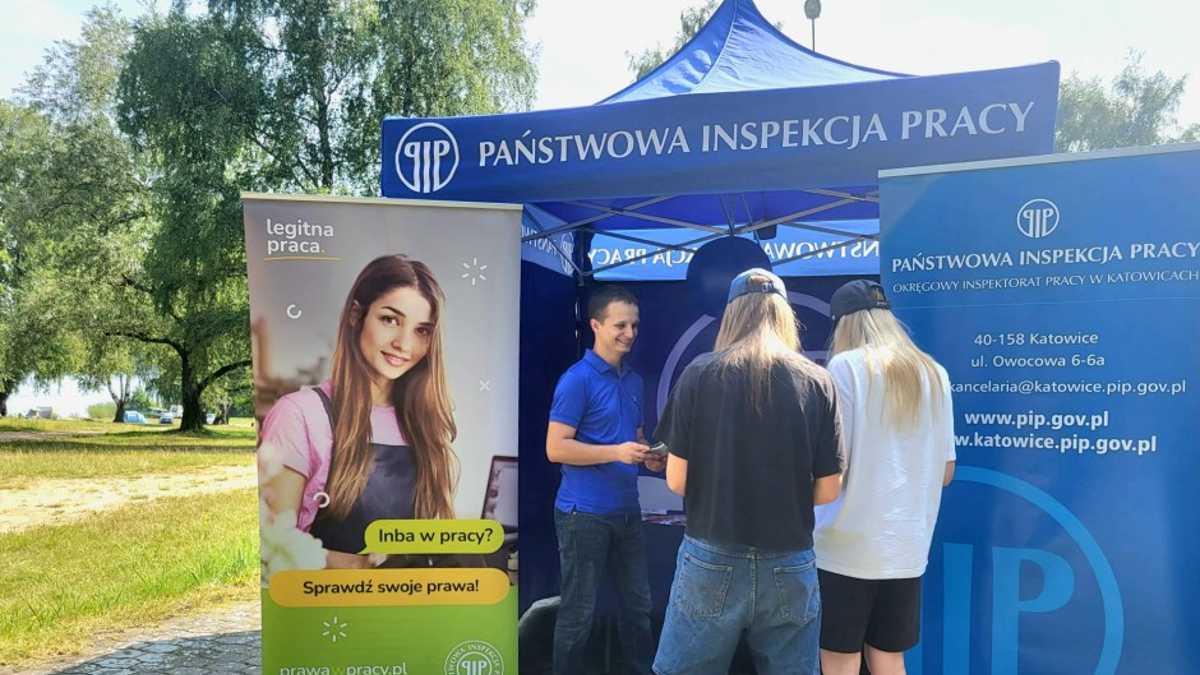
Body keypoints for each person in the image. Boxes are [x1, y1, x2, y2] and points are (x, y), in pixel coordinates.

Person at [651, 268, 842, 675]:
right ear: (785, 316)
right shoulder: (818, 381)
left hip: (711, 557)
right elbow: (828, 490)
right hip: (790, 562)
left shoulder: (699, 374)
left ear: (732, 316)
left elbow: (676, 480)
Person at [259, 254, 458, 570]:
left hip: (412, 610)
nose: (404, 344)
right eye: (390, 319)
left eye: (422, 330)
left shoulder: (425, 424)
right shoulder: (299, 415)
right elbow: (272, 550)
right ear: (356, 315)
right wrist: (356, 566)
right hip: (331, 612)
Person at [815, 280, 956, 675]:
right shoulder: (934, 373)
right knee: (889, 658)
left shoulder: (845, 367)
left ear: (842, 323)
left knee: (840, 660)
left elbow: (833, 469)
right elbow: (946, 471)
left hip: (844, 546)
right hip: (907, 548)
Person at [546, 284, 663, 675]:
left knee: (638, 608)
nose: (629, 333)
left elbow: (635, 436)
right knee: (578, 612)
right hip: (584, 515)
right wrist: (616, 451)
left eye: (634, 325)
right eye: (620, 325)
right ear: (595, 325)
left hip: (627, 511)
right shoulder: (576, 380)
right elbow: (556, 448)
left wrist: (648, 455)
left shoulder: (633, 381)